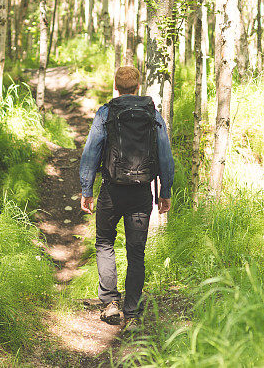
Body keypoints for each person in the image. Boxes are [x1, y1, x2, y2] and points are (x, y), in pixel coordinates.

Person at [79, 66, 175, 332]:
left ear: (116, 86)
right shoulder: (152, 115)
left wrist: (87, 189)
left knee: (105, 243)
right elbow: (165, 156)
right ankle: (131, 313)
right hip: (142, 192)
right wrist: (164, 192)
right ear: (138, 85)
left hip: (111, 190)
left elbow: (90, 153)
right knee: (136, 251)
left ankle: (110, 304)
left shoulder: (106, 113)